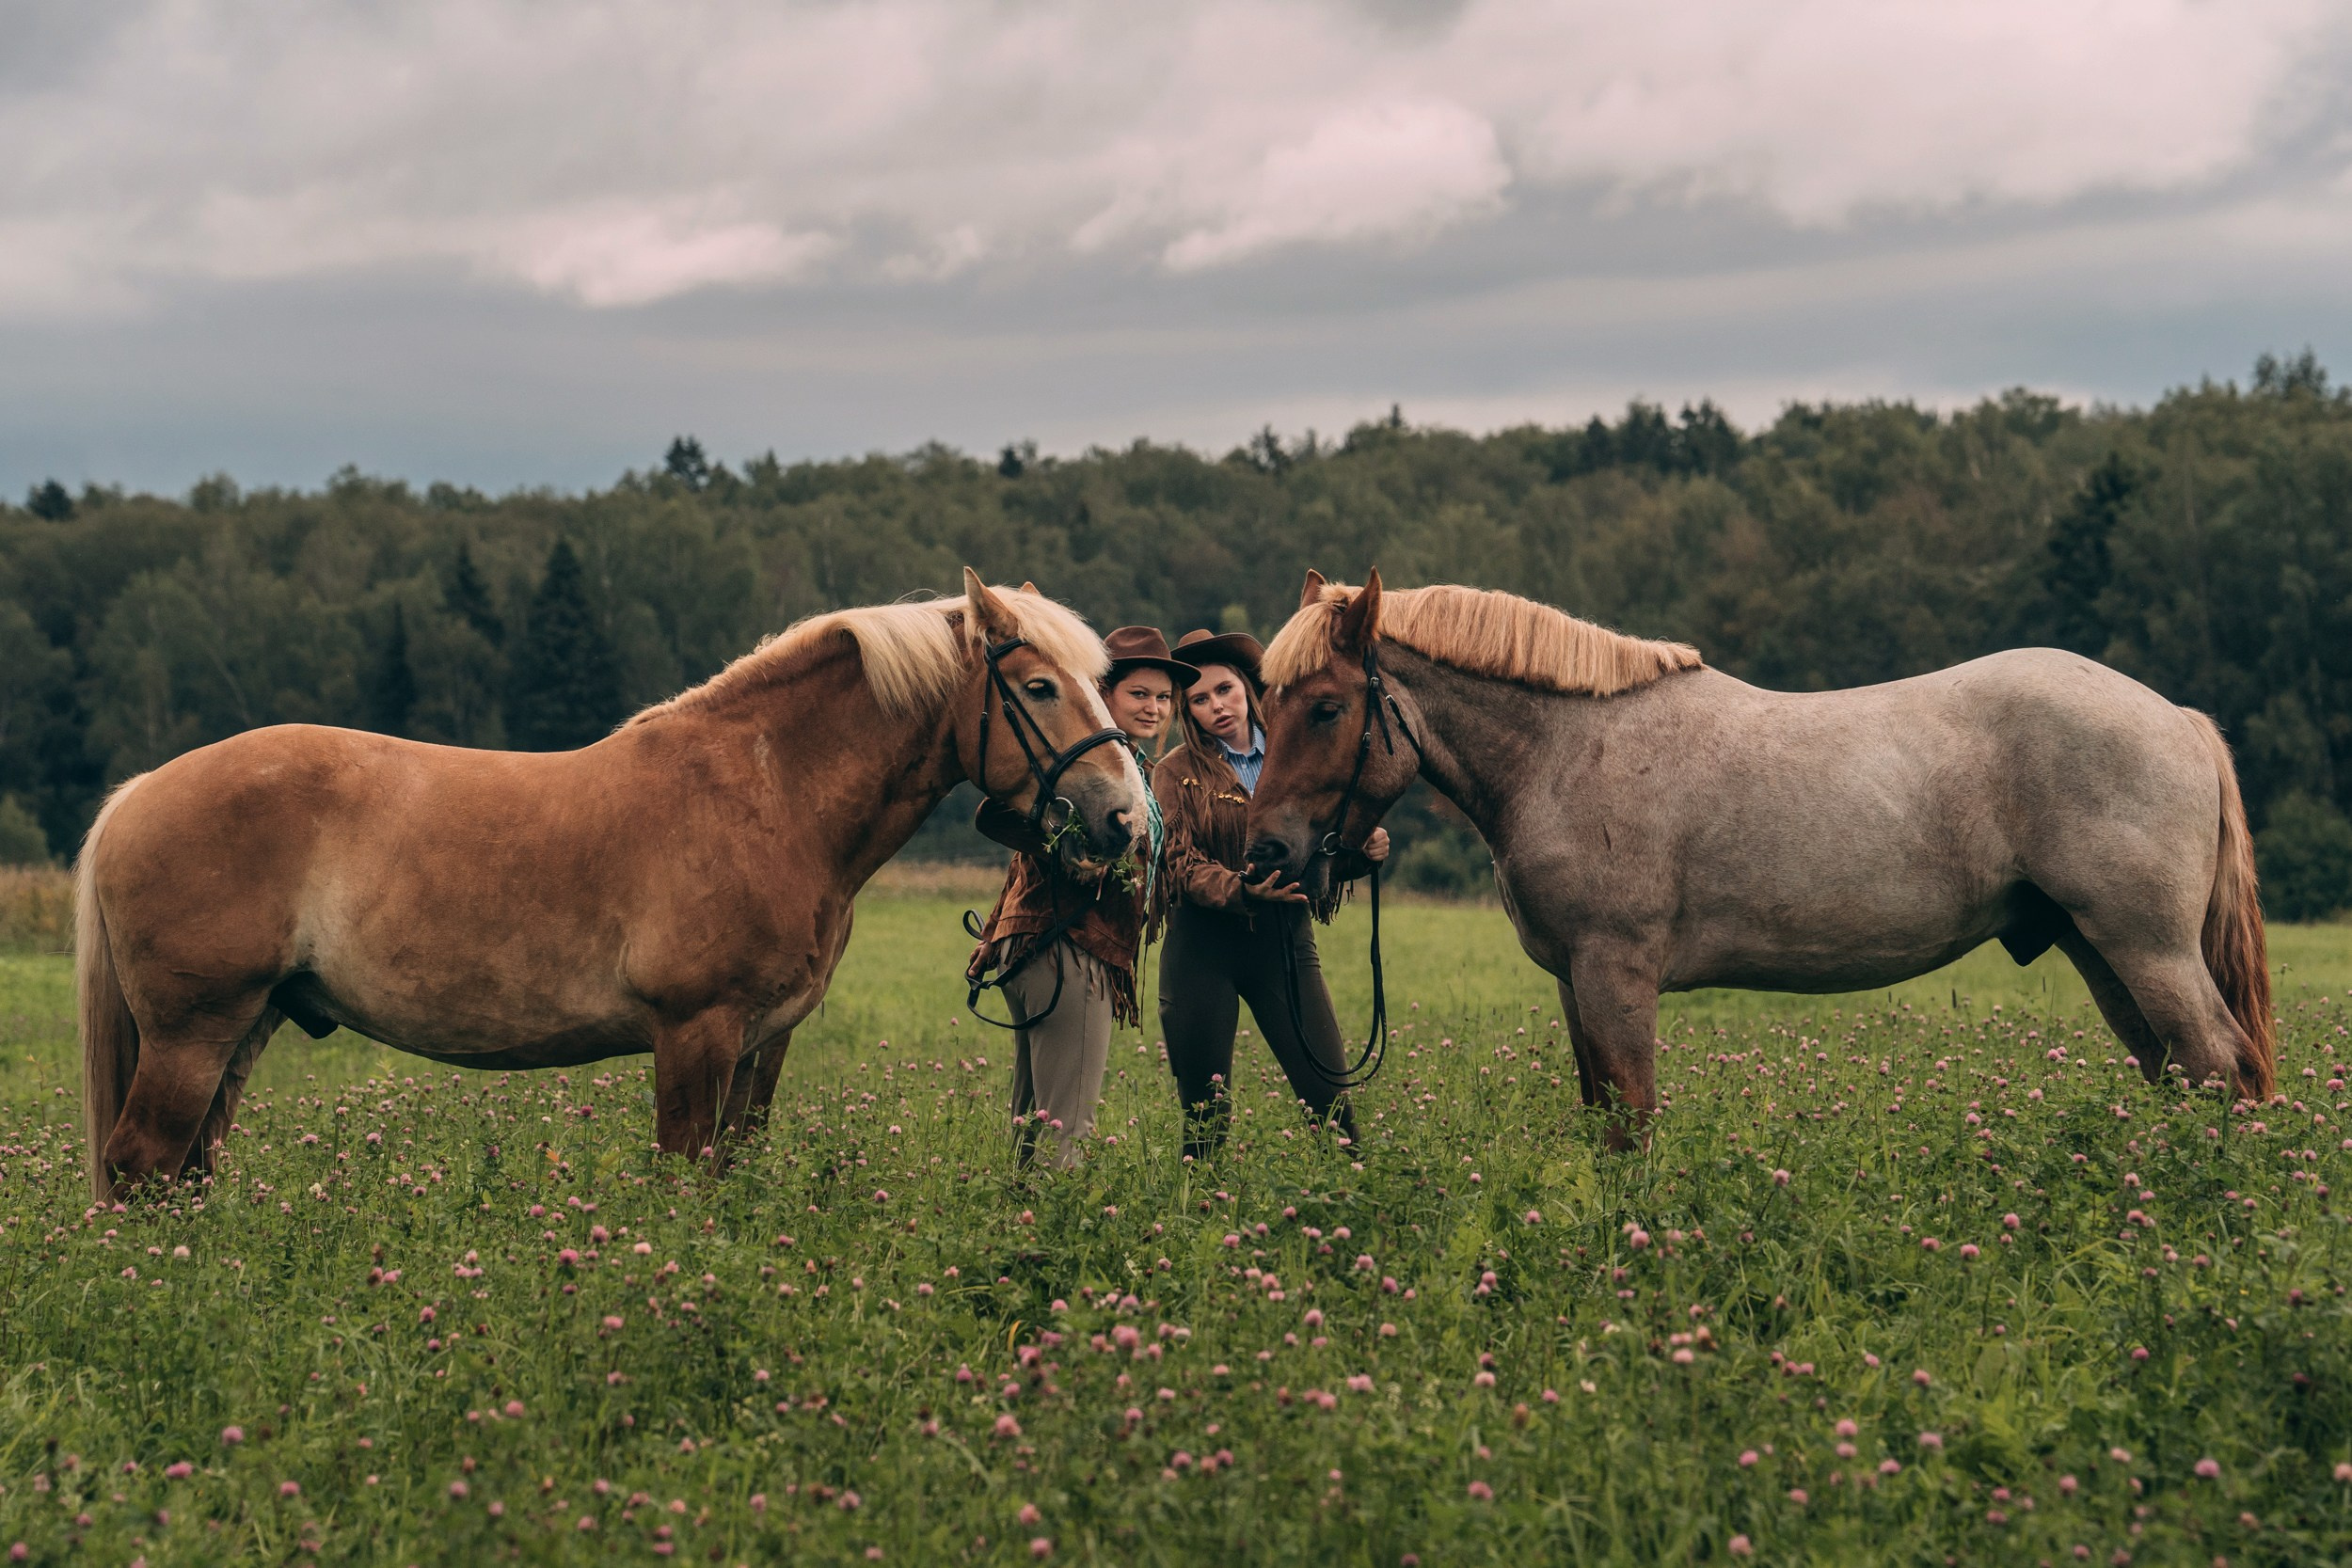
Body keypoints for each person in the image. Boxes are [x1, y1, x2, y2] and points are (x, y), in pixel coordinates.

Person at [1152, 627, 1388, 1163]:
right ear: (1188, 710)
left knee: (1330, 1100)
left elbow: (1314, 848)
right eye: (1199, 698)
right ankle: (1196, 1223)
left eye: (1225, 690)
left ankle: (1354, 1212)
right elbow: (1178, 863)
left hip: (1284, 946)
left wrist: (1359, 853)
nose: (1217, 706)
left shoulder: (1293, 753)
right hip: (1200, 954)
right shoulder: (1173, 773)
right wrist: (1241, 888)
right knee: (1205, 1120)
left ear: (1248, 688)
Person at [966, 626, 1193, 1167]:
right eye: (1139, 694)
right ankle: (1051, 1244)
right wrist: (1070, 852)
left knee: (1032, 1124)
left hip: (1036, 947)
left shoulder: (1132, 772)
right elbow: (996, 815)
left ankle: (1014, 1235)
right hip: (1070, 948)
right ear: (1101, 694)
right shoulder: (1079, 771)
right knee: (1068, 1127)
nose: (1155, 709)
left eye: (1164, 698)